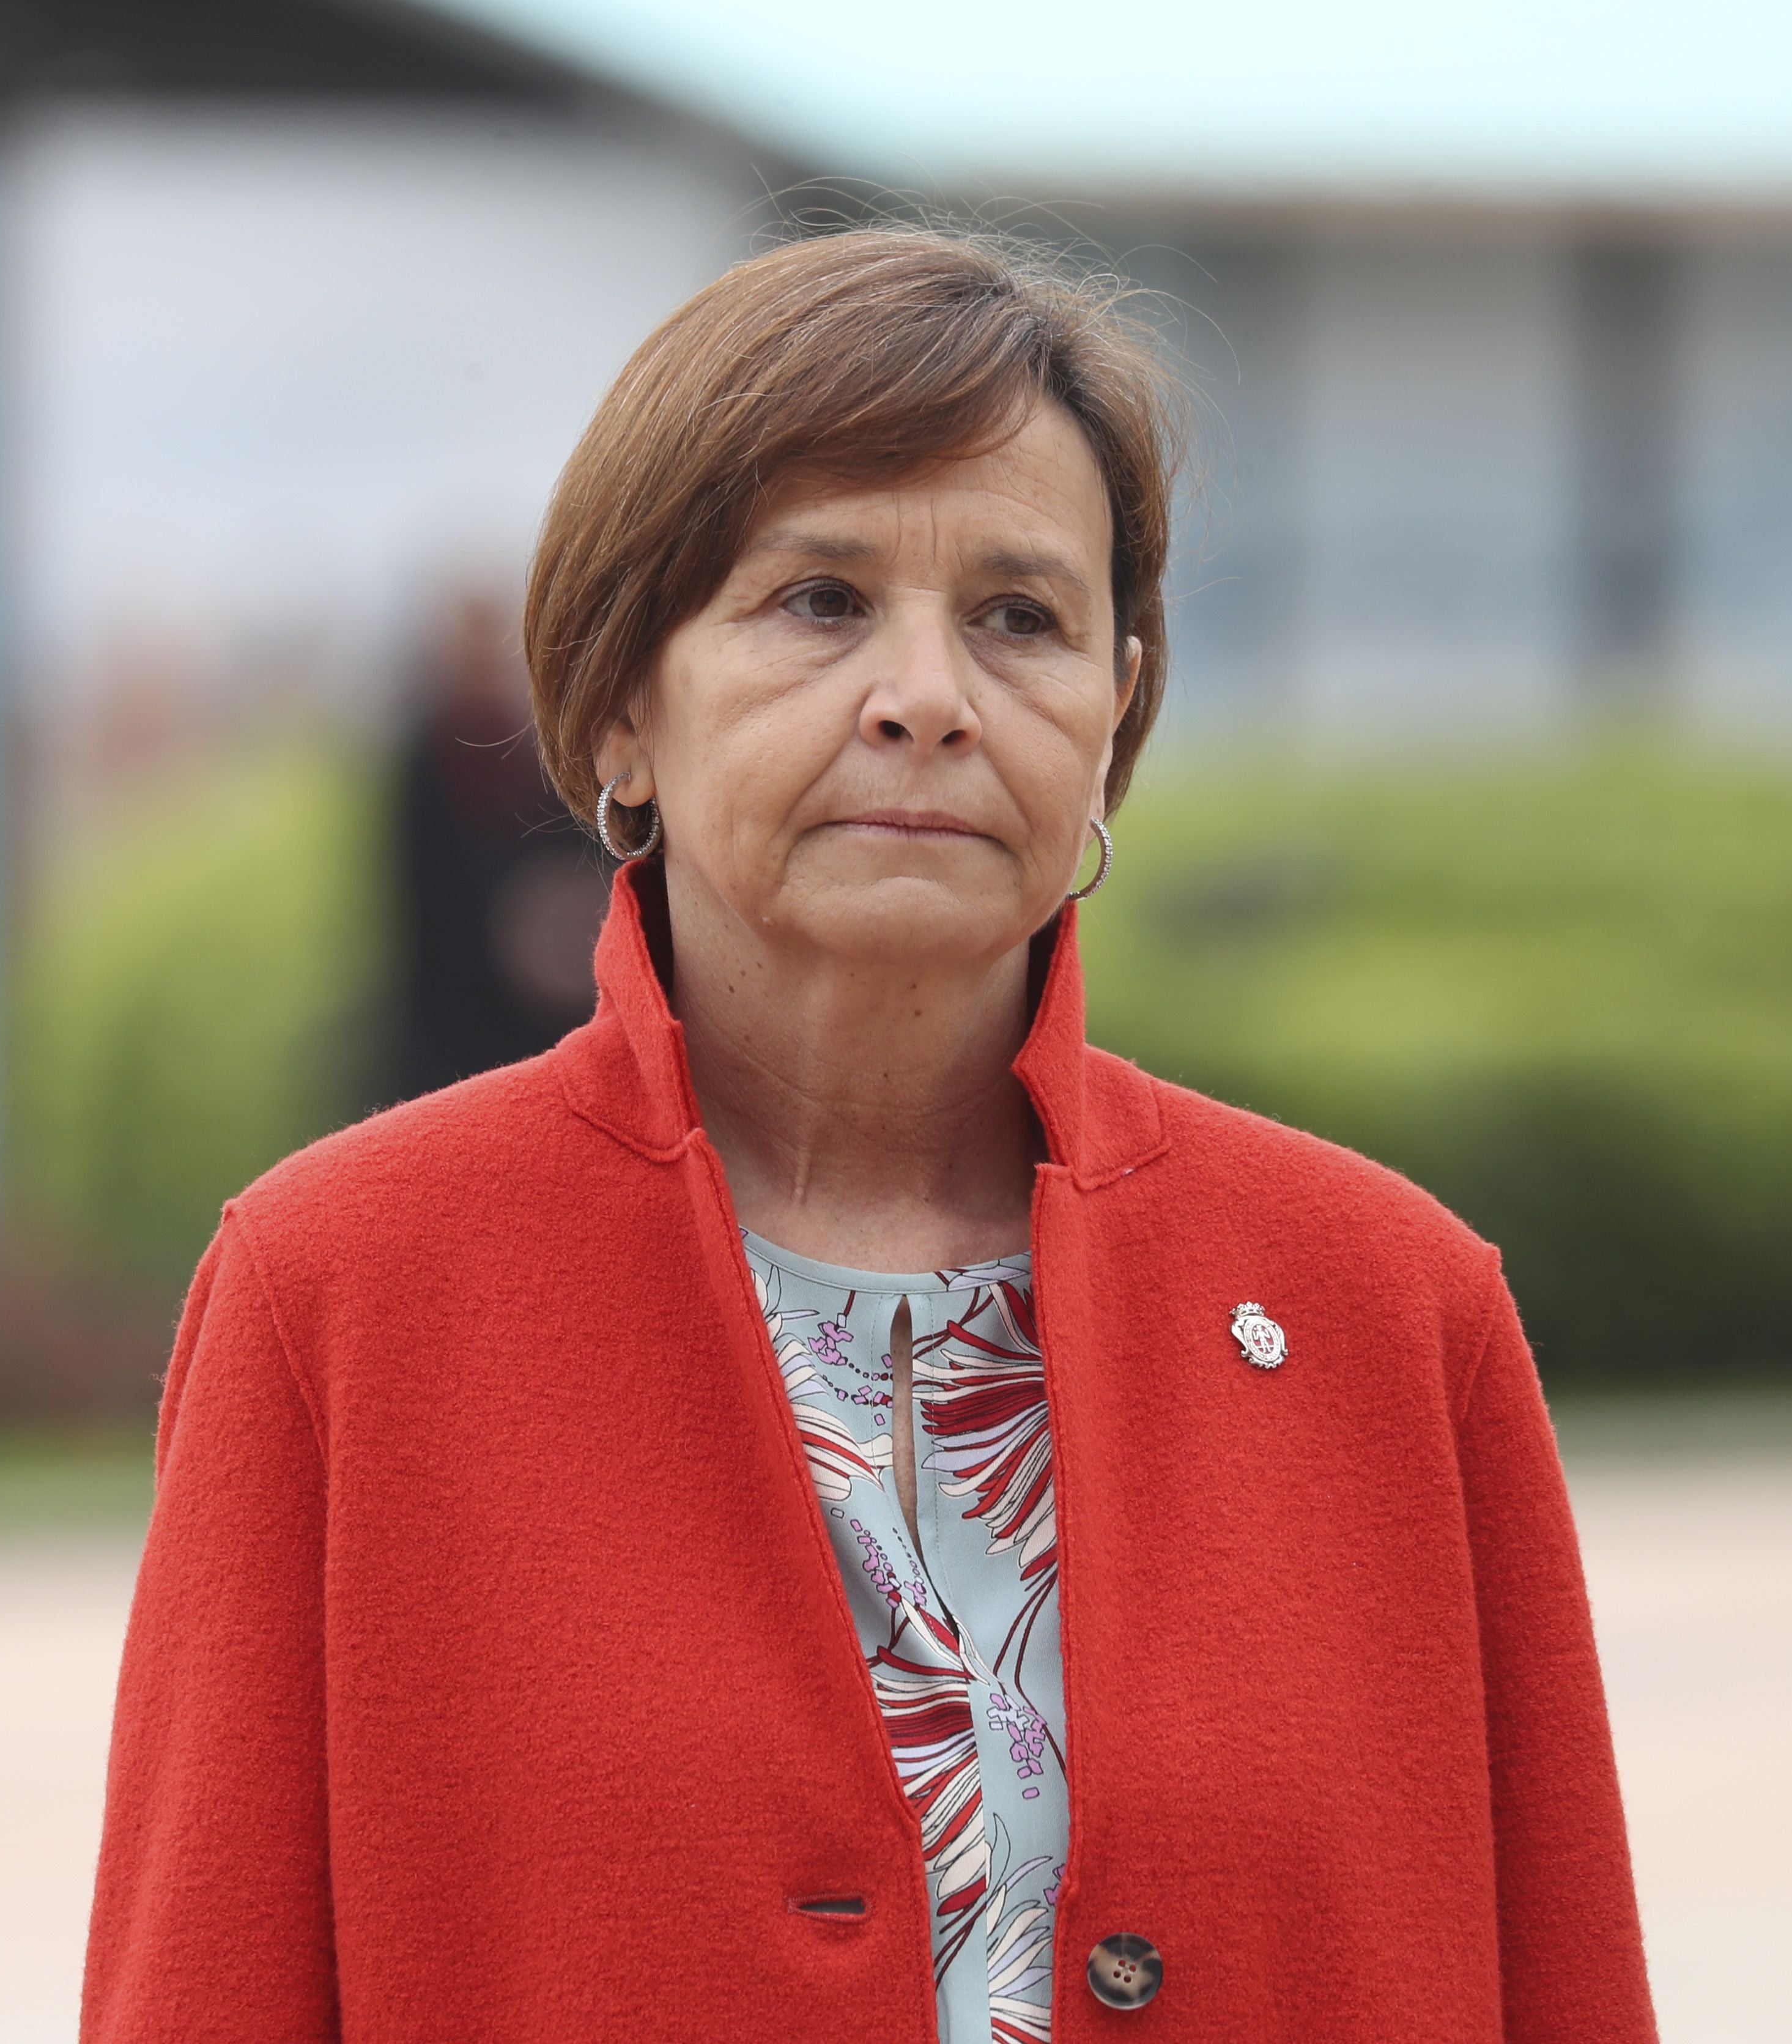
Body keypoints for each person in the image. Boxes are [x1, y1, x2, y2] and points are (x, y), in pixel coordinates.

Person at [83, 229, 1657, 2043]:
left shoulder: (1391, 1309)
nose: (929, 694)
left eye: (1021, 617)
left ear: (1114, 714)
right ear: (620, 706)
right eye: (820, 601)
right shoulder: (340, 1299)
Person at [384, 583, 609, 1099]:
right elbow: (423, 906)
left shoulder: (550, 747)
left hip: (553, 1017)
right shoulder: (426, 763)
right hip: (458, 1023)